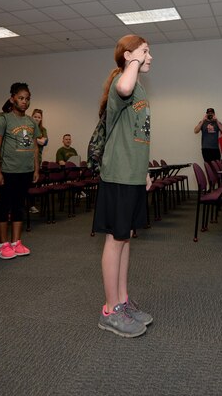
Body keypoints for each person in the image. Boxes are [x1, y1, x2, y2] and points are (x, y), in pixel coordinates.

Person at [92, 34, 154, 338]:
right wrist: (133, 60)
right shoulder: (123, 81)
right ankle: (110, 309)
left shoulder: (139, 87)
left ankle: (123, 301)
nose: (150, 57)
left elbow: (137, 135)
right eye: (145, 51)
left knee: (125, 237)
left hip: (131, 175)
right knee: (114, 241)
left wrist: (143, 171)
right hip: (117, 175)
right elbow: (125, 86)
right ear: (129, 55)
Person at [0, 83, 38, 259]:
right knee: (3, 207)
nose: (25, 102)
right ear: (12, 99)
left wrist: (36, 168)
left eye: (27, 98)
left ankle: (16, 242)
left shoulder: (31, 121)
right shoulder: (4, 120)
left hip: (25, 171)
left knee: (19, 206)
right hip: (7, 171)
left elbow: (34, 147)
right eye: (21, 98)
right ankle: (3, 245)